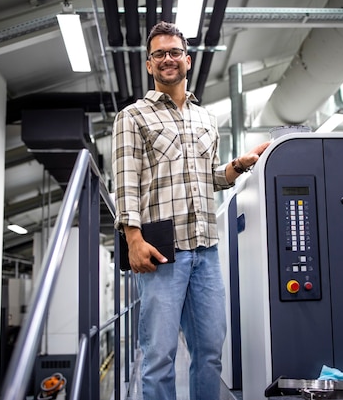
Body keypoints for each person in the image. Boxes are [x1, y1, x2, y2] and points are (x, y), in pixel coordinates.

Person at [111, 21, 270, 400]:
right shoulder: (132, 117)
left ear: (187, 59)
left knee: (211, 353)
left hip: (206, 251)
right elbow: (126, 183)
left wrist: (238, 165)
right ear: (149, 65)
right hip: (163, 252)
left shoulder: (206, 119)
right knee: (159, 356)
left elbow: (207, 177)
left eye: (174, 52)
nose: (168, 59)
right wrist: (132, 238)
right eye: (159, 54)